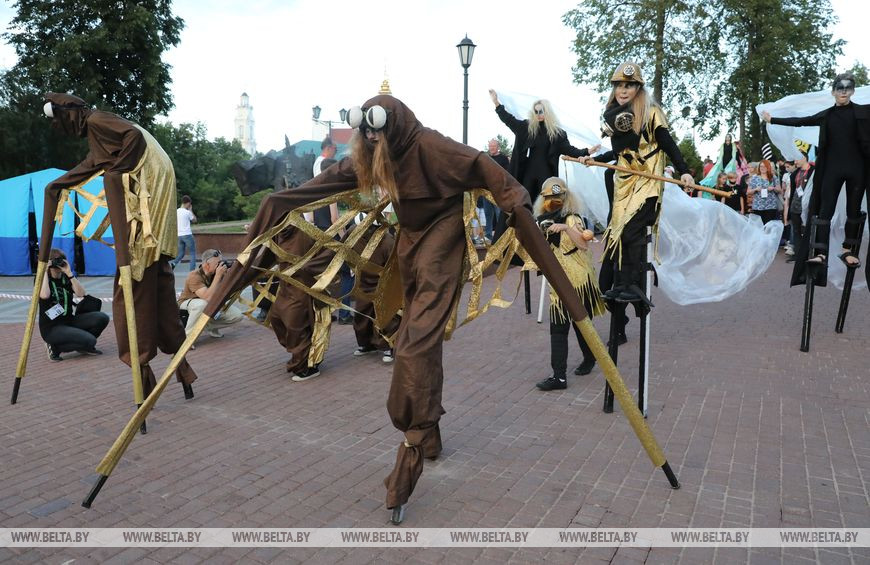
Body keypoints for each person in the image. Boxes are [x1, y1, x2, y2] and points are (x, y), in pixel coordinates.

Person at [207, 94, 599, 515]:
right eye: (364, 131)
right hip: (408, 247)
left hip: (442, 240)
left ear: (394, 124)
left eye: (376, 128)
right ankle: (429, 432)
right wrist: (274, 205)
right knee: (419, 337)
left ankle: (411, 446)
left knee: (413, 343)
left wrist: (515, 203)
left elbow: (484, 166)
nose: (371, 137)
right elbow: (320, 186)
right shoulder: (372, 155)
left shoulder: (430, 145)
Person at [41, 92, 197, 396]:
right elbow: (93, 163)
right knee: (158, 292)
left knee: (129, 293)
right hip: (155, 205)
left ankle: (143, 377)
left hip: (150, 201)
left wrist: (115, 174)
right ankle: (182, 372)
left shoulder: (97, 119)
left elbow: (132, 138)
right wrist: (60, 184)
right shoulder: (98, 132)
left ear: (69, 113)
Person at [581, 62, 694, 308]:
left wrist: (684, 171)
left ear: (638, 88)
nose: (623, 90)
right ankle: (621, 285)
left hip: (648, 182)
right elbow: (620, 153)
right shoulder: (615, 115)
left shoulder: (651, 112)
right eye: (619, 85)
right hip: (624, 183)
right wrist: (594, 159)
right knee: (618, 233)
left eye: (629, 86)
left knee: (632, 231)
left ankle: (633, 286)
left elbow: (667, 143)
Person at [762, 71, 870, 285]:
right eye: (840, 88)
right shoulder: (827, 115)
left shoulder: (863, 112)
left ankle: (848, 250)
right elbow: (801, 121)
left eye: (848, 88)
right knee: (825, 210)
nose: (843, 92)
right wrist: (773, 119)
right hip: (831, 169)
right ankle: (820, 252)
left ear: (853, 91)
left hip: (857, 170)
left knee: (853, 210)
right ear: (833, 91)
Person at [488, 89, 600, 239]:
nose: (538, 114)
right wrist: (496, 103)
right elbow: (509, 120)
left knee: (548, 206)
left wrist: (586, 152)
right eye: (536, 111)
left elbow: (569, 149)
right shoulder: (527, 128)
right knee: (522, 205)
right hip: (528, 176)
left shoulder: (557, 134)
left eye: (541, 111)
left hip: (547, 177)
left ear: (547, 112)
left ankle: (548, 240)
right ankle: (517, 240)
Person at [533, 178, 605, 391]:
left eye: (557, 197)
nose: (553, 201)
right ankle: (559, 376)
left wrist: (565, 228)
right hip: (559, 282)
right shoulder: (543, 221)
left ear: (565, 197)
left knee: (581, 325)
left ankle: (589, 358)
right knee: (558, 327)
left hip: (579, 281)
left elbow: (584, 244)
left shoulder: (572, 219)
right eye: (549, 197)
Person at [38, 248, 109, 361]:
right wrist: (44, 272)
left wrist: (69, 273)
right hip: (52, 327)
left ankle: (83, 345)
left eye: (61, 260)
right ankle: (54, 347)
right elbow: (45, 295)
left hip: (69, 320)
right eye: (55, 261)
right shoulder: (42, 280)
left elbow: (81, 293)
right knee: (90, 341)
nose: (58, 264)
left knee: (102, 318)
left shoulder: (66, 278)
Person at [178, 249, 244, 338]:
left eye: (221, 262)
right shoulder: (194, 276)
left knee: (237, 315)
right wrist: (218, 276)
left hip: (208, 303)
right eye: (217, 264)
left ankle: (209, 327)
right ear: (207, 265)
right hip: (188, 303)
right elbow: (207, 297)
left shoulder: (216, 274)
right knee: (202, 304)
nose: (220, 266)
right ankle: (187, 338)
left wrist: (228, 276)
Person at [786, 156, 815, 262]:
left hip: (808, 206)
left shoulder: (814, 171)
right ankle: (798, 255)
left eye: (797, 159)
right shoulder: (794, 173)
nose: (795, 162)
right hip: (795, 206)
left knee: (808, 231)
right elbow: (793, 190)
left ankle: (808, 255)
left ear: (804, 158)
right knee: (796, 231)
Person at [483, 138, 509, 240]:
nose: (491, 148)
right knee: (488, 214)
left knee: (499, 214)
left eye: (493, 146)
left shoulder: (503, 159)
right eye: (490, 146)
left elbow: (507, 174)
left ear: (498, 147)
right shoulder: (486, 158)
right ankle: (488, 235)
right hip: (486, 190)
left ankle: (500, 235)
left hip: (498, 191)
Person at [747, 159, 781, 224]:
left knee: (769, 225)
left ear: (768, 167)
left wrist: (773, 188)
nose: (762, 168)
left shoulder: (773, 177)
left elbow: (779, 190)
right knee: (758, 226)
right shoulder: (754, 178)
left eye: (764, 166)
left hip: (771, 206)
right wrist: (755, 189)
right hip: (758, 206)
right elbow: (748, 192)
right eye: (761, 166)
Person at [170, 195, 197, 271]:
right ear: (188, 203)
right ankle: (192, 271)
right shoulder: (187, 212)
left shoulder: (176, 211)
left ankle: (174, 263)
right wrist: (191, 210)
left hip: (179, 235)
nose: (189, 205)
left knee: (181, 253)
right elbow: (195, 220)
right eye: (189, 204)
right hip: (187, 235)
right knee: (192, 253)